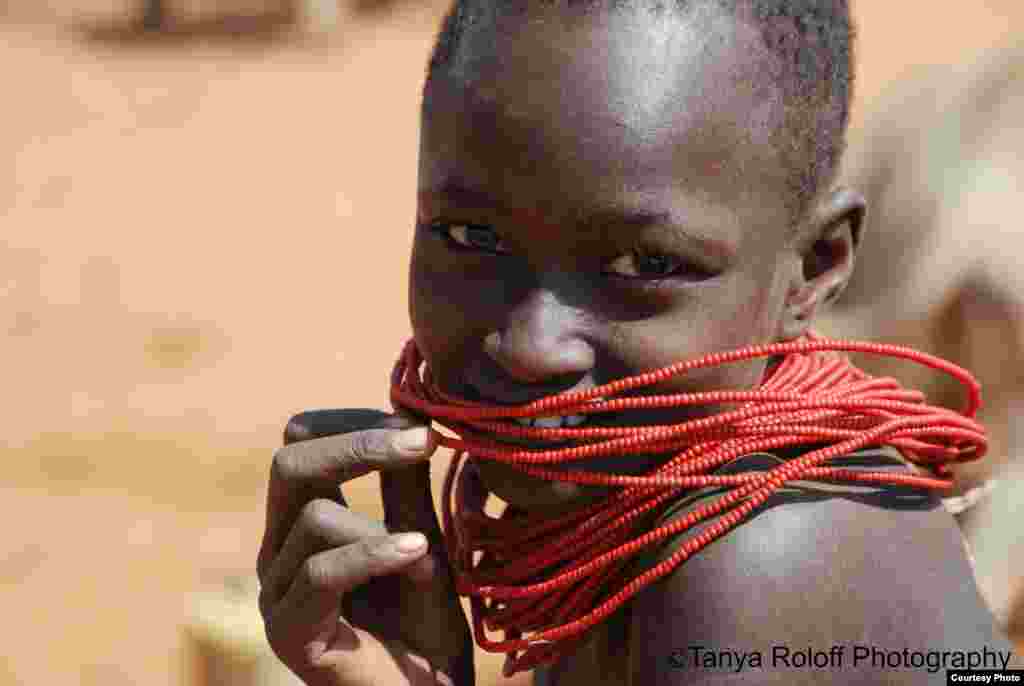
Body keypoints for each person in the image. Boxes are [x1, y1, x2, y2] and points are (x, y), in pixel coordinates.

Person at [255, 1, 1020, 684]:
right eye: (467, 235)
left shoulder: (753, 562)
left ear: (813, 271)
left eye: (647, 264)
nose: (531, 345)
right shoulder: (630, 518)